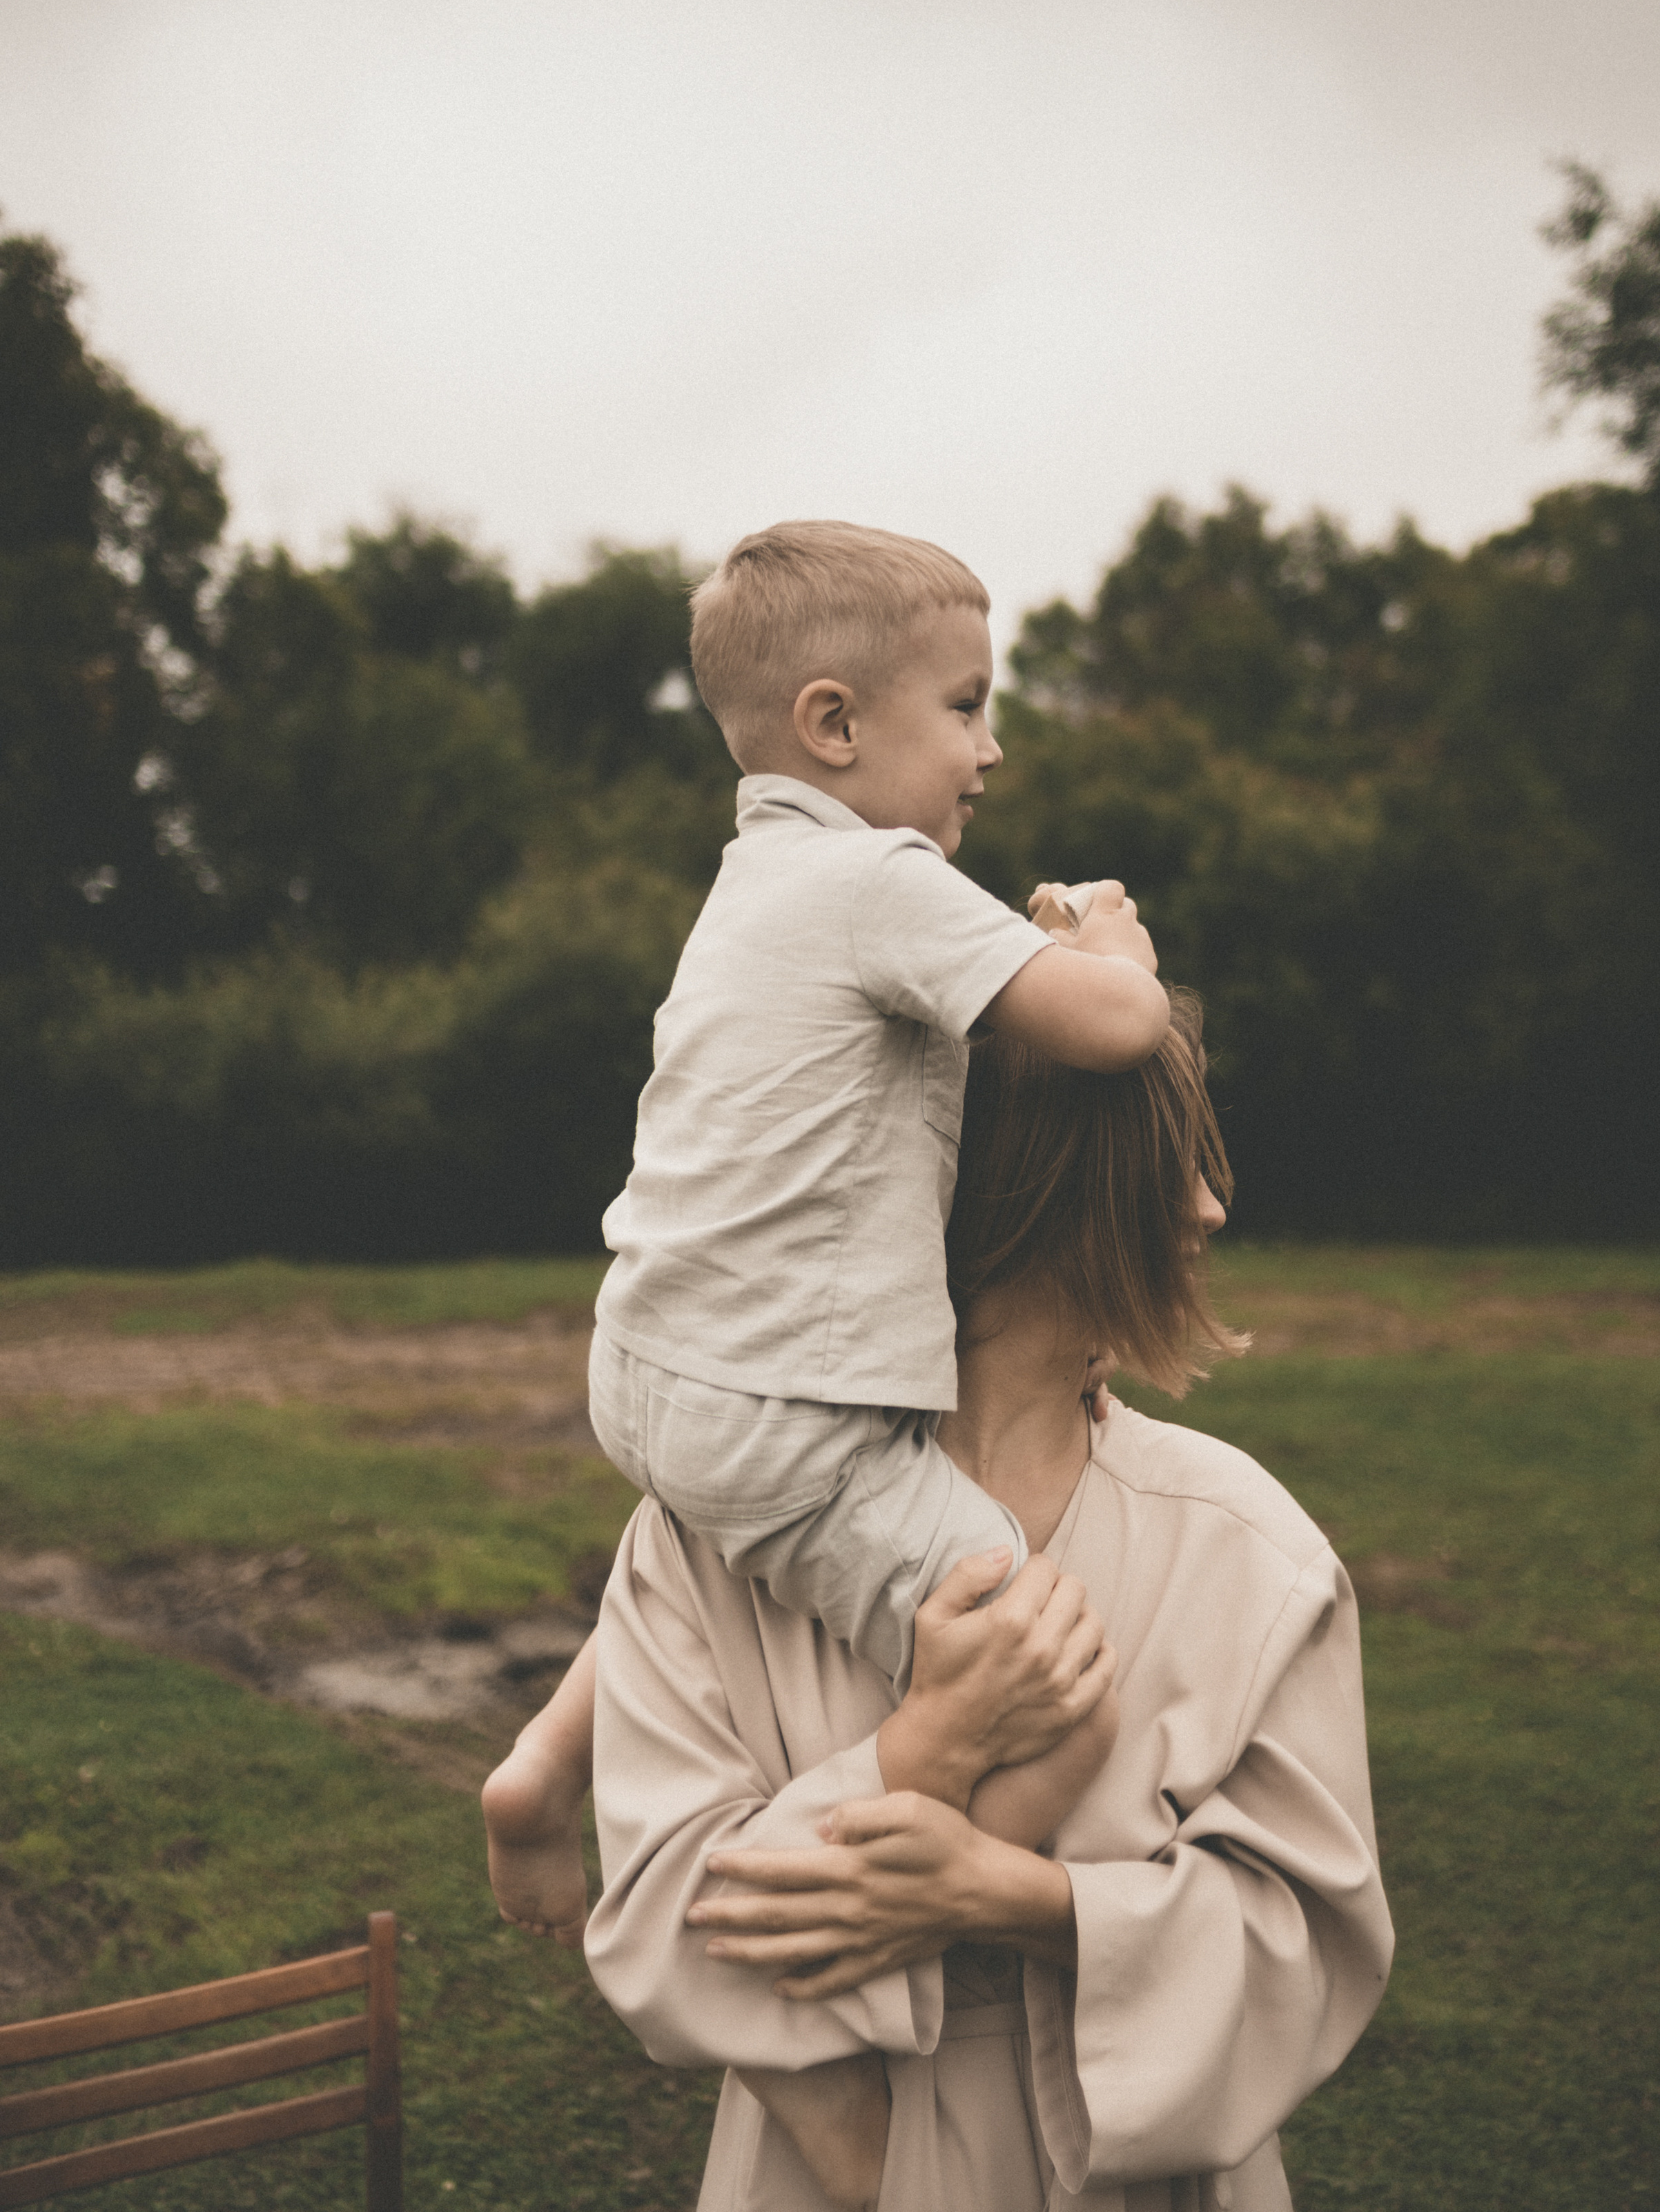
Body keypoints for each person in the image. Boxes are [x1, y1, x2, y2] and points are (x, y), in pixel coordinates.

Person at [583, 991, 1394, 2211]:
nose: (1210, 1206)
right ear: (1031, 1186)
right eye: (1167, 1161)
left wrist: (1016, 1900)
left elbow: (1311, 1942)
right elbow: (658, 1926)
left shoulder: (1247, 1549)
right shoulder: (705, 1545)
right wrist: (923, 1756)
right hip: (818, 2178)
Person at [484, 524, 1164, 1973]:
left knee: (724, 1547)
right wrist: (1117, 948)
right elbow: (1111, 1034)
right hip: (785, 1407)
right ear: (834, 726)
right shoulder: (878, 882)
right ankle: (877, 1921)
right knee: (1050, 1677)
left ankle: (542, 1766)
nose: (993, 753)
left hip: (654, 1369)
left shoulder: (747, 897)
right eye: (970, 706)